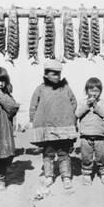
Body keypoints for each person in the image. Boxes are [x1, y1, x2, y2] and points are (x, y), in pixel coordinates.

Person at [29, 59, 78, 191]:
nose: (57, 76)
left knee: (64, 153)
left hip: (63, 129)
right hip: (47, 129)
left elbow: (73, 102)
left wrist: (69, 117)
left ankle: (66, 177)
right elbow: (33, 105)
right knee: (48, 153)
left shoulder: (65, 88)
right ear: (46, 74)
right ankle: (48, 175)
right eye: (53, 73)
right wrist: (34, 121)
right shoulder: (40, 89)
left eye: (58, 74)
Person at [75, 77, 104, 185]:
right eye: (92, 90)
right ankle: (86, 174)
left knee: (101, 155)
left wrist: (95, 105)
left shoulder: (102, 102)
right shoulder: (82, 102)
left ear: (100, 92)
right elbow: (77, 114)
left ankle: (103, 172)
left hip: (99, 134)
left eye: (97, 91)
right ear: (87, 91)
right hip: (85, 134)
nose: (94, 93)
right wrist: (87, 105)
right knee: (86, 155)